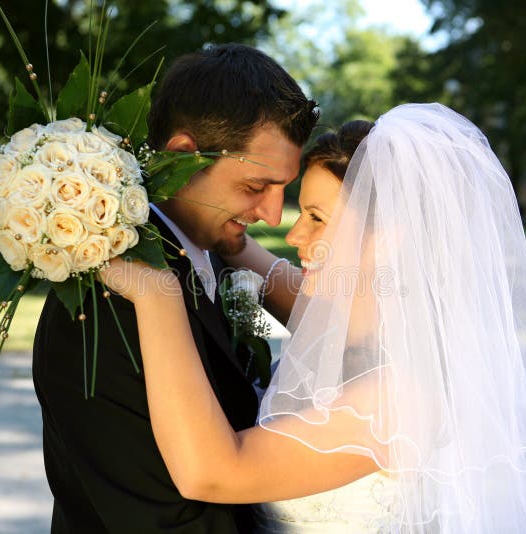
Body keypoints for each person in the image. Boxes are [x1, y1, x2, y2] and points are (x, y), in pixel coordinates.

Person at [101, 104, 526, 532]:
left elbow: (214, 474)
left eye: (317, 217)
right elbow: (266, 270)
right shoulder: (357, 329)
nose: (295, 232)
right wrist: (221, 226)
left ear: (389, 237)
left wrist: (156, 298)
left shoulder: (396, 398)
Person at [32, 43, 318, 533]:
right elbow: (164, 520)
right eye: (255, 188)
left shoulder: (212, 253)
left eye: (284, 189)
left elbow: (337, 326)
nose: (273, 216)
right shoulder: (106, 307)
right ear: (184, 155)